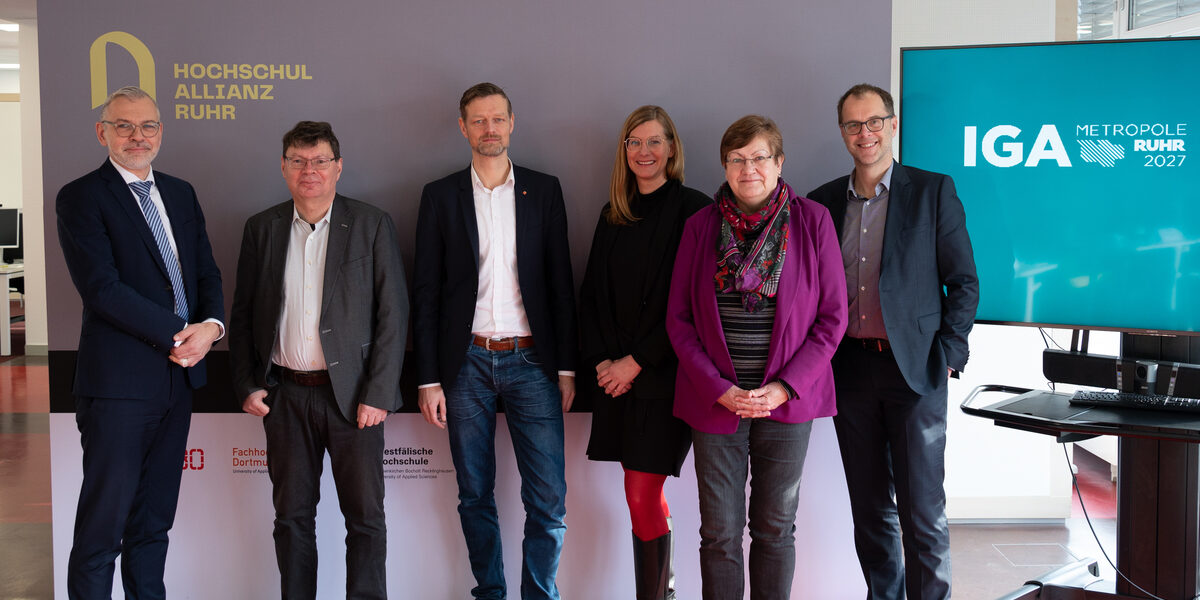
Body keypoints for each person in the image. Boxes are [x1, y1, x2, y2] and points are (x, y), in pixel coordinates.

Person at [807, 83, 978, 600]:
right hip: (850, 371)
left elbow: (964, 282)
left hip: (916, 369)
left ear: (892, 123)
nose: (866, 134)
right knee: (870, 510)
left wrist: (949, 354)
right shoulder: (822, 202)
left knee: (922, 511)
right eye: (854, 125)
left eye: (874, 121)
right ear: (842, 133)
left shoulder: (932, 191)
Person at [666, 115, 847, 599]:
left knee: (774, 529)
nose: (749, 169)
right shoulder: (699, 228)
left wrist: (784, 387)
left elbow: (833, 318)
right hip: (716, 402)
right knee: (719, 534)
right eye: (737, 159)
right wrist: (719, 390)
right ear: (725, 166)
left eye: (759, 157)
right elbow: (679, 320)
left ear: (779, 162)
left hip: (786, 402)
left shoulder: (813, 222)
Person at [56, 85, 225, 599]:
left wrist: (211, 327)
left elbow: (205, 274)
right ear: (101, 131)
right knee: (102, 530)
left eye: (148, 125)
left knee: (154, 524)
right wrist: (181, 334)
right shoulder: (81, 196)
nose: (137, 135)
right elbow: (102, 289)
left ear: (161, 132)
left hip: (180, 380)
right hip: (119, 387)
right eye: (124, 125)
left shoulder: (180, 191)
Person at [228, 121, 408, 600]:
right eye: (298, 161)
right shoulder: (261, 228)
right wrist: (248, 383)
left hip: (354, 401)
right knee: (291, 520)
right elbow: (243, 313)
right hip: (285, 397)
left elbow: (394, 314)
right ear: (284, 167)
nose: (309, 170)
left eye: (320, 161)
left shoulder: (371, 224)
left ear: (338, 167)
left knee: (366, 520)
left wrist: (379, 393)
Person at [412, 82, 577, 600]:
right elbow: (427, 291)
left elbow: (560, 283)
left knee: (549, 499)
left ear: (512, 123)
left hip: (532, 360)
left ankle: (538, 594)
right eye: (478, 121)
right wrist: (428, 377)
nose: (489, 129)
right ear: (463, 128)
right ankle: (490, 592)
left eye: (497, 119)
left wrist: (567, 368)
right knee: (474, 493)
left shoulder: (543, 189)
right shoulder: (440, 195)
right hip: (465, 364)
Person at [580, 105, 708, 599]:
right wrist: (604, 366)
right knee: (643, 492)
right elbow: (591, 295)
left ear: (672, 148)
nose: (644, 152)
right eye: (634, 143)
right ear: (624, 152)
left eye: (654, 142)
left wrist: (635, 362)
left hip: (666, 379)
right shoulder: (614, 213)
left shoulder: (696, 210)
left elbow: (693, 304)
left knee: (640, 491)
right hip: (615, 379)